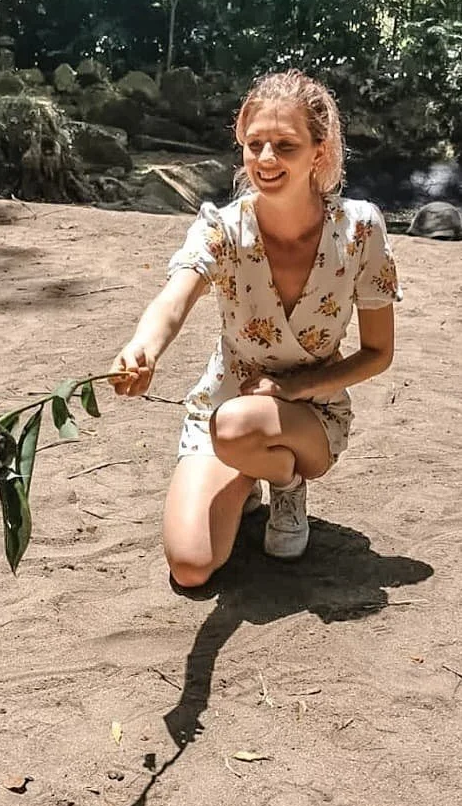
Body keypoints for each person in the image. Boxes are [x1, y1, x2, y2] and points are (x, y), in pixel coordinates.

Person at [109, 69, 401, 587]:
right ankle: (247, 475)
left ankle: (285, 482)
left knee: (240, 424)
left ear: (319, 150)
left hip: (309, 412)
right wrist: (142, 348)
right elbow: (174, 298)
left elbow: (378, 351)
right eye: (255, 144)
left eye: (284, 145)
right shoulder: (221, 228)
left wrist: (293, 387)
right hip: (225, 407)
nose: (266, 160)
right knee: (191, 566)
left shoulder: (359, 230)